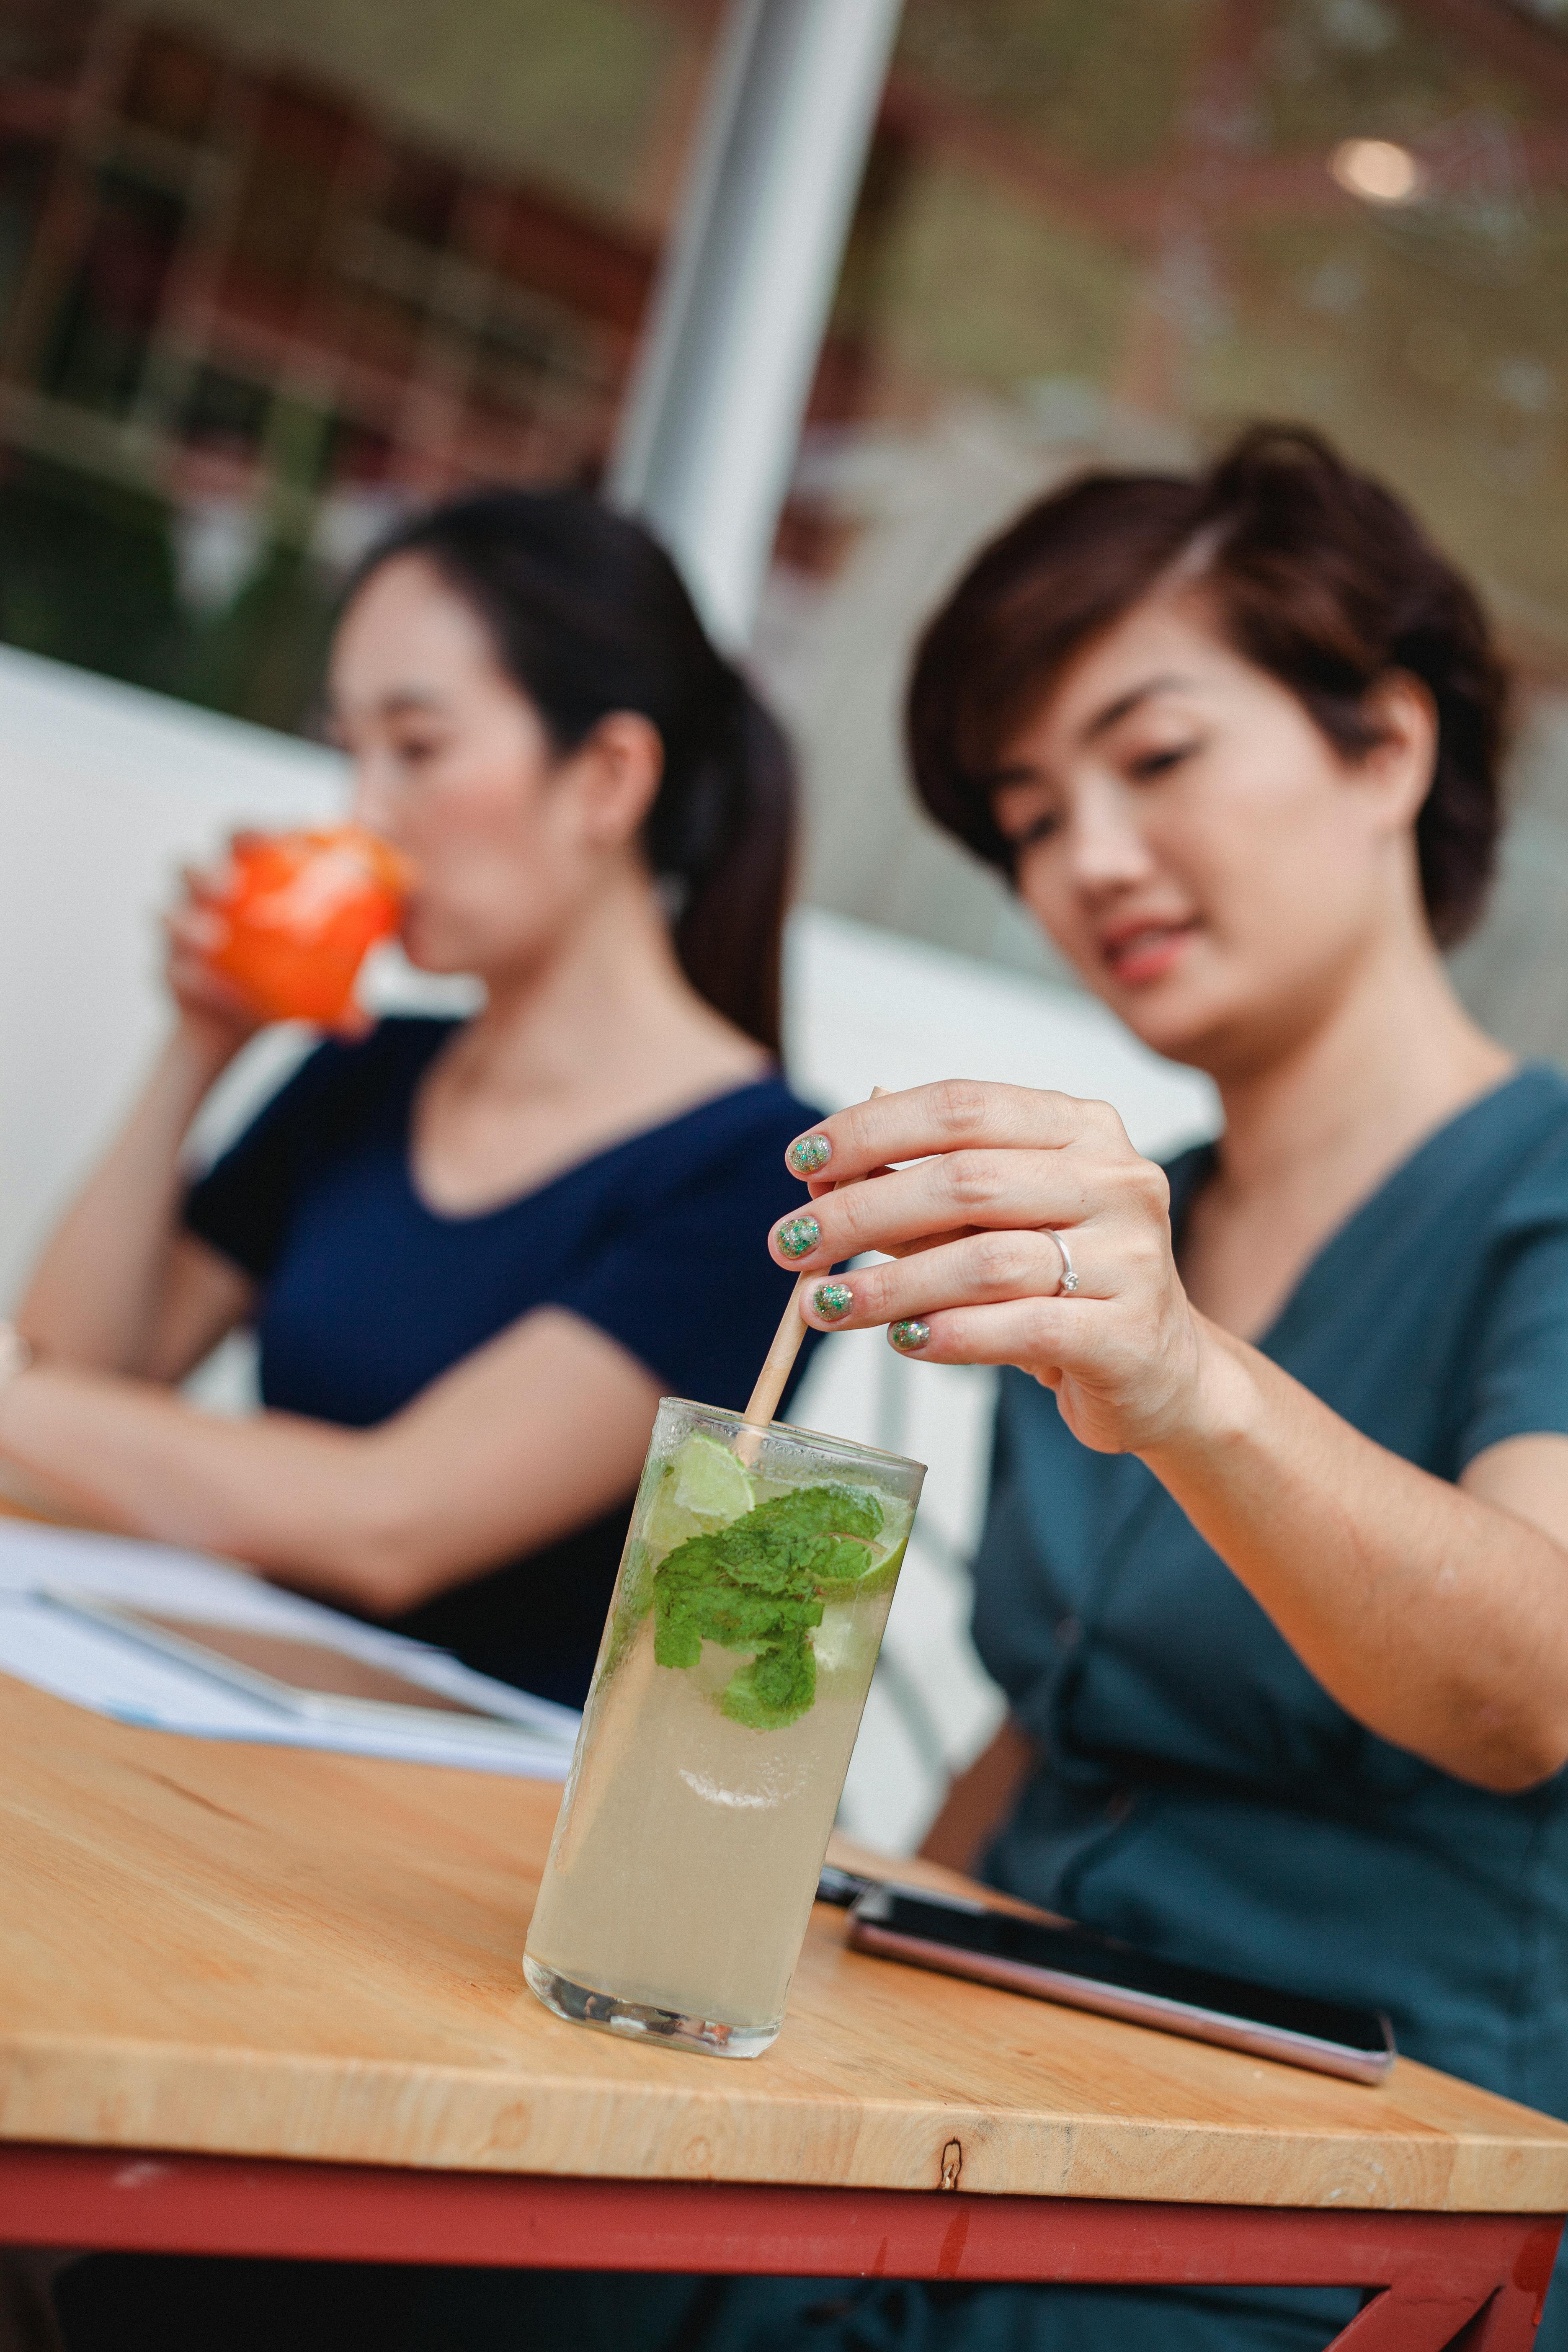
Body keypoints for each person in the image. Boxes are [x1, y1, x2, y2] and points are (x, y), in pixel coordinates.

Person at [51, 426, 1565, 2352]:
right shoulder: (1119, 1219)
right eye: (1026, 813)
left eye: (1157, 758)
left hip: (1345, 2199)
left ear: (1390, 750)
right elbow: (1058, 1731)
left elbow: (1529, 1690)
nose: (1086, 859)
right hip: (995, 2122)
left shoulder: (1478, 1208)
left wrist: (1189, 1377)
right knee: (270, 2254)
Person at [1, 488, 820, 1709]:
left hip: (468, 1819)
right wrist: (201, 1046)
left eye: (418, 749)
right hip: (223, 1718)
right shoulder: (367, 1069)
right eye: (352, 752)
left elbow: (390, 1524)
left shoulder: (765, 1175)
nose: (365, 813)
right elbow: (78, 1382)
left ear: (606, 777)